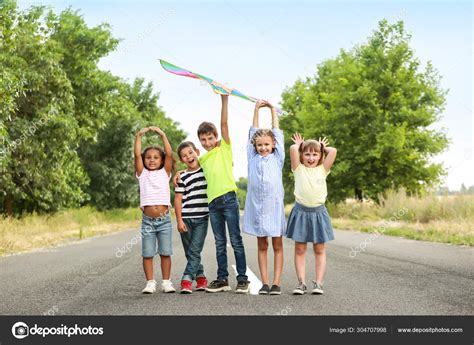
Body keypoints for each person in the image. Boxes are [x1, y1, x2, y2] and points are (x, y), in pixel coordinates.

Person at [197, 90, 249, 294]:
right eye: (203, 140)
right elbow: (192, 167)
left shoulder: (224, 148)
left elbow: (225, 124)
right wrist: (178, 174)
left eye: (210, 138)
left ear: (216, 137)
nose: (207, 142)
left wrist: (224, 99)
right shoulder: (202, 159)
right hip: (213, 203)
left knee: (235, 240)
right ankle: (222, 279)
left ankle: (243, 279)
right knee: (220, 242)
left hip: (228, 199)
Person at [243, 100, 285, 295]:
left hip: (274, 207)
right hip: (257, 207)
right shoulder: (253, 157)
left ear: (274, 145)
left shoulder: (278, 157)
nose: (263, 147)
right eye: (259, 145)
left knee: (277, 244)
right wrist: (256, 109)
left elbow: (277, 132)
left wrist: (272, 110)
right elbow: (253, 131)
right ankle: (265, 283)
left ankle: (276, 283)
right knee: (262, 244)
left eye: (267, 144)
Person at [287, 133, 337, 295]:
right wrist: (299, 145)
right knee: (300, 249)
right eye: (307, 154)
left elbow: (334, 150)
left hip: (318, 213)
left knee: (319, 249)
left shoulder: (323, 170)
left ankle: (319, 283)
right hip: (301, 212)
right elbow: (292, 148)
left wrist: (322, 147)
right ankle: (301, 283)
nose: (311, 157)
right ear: (301, 156)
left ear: (321, 155)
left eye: (315, 154)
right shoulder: (298, 169)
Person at [135, 126, 175, 294]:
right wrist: (139, 136)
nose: (151, 160)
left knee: (165, 252)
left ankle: (166, 282)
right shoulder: (142, 174)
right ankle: (150, 282)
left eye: (156, 157)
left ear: (161, 160)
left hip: (164, 220)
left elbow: (170, 154)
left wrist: (162, 135)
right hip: (148, 222)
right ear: (144, 160)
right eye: (148, 157)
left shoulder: (165, 173)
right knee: (148, 253)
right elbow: (137, 154)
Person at [174, 141, 209, 294]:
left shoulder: (207, 170)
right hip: (186, 218)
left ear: (197, 152)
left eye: (190, 153)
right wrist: (179, 220)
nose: (188, 157)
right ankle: (200, 277)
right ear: (182, 160)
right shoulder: (182, 177)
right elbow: (178, 199)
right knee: (190, 251)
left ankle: (187, 279)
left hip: (202, 218)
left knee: (194, 250)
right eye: (184, 156)